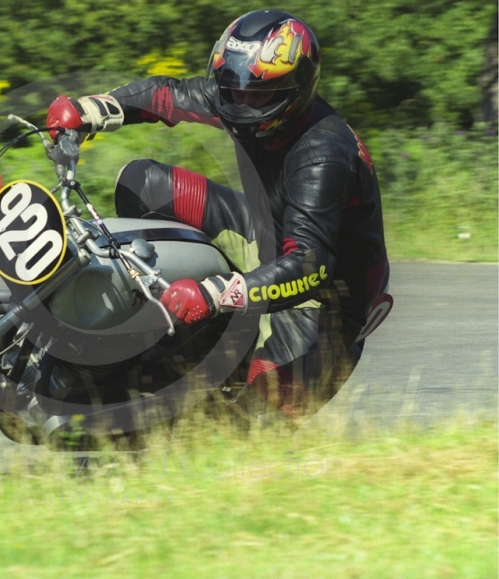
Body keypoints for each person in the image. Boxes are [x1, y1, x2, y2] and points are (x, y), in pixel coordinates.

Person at [46, 9, 390, 421]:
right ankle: (153, 318)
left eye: (258, 95)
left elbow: (308, 268)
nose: (242, 103)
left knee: (244, 435)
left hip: (323, 300)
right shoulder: (240, 95)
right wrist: (88, 110)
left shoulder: (323, 155)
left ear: (295, 90)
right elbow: (164, 96)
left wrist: (213, 293)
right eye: (232, 88)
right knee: (140, 182)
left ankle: (213, 345)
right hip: (264, 235)